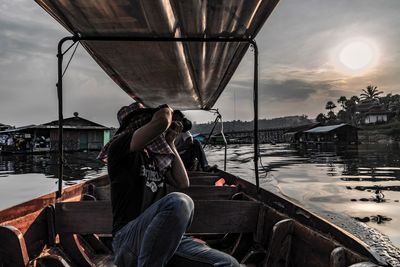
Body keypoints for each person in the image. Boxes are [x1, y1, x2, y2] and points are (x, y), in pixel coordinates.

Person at [98, 102, 246, 267]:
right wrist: (166, 108)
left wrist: (171, 143)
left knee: (229, 264)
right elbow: (161, 122)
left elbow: (183, 182)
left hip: (162, 237)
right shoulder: (119, 147)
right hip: (128, 239)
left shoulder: (156, 156)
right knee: (179, 202)